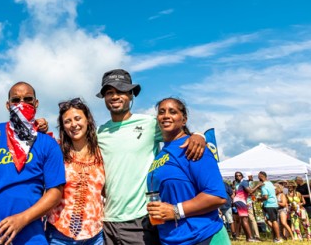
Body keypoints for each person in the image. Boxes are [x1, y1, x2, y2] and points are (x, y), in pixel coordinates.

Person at [95, 69, 206, 245]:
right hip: (106, 221)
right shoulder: (99, 133)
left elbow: (178, 132)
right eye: (109, 92)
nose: (115, 96)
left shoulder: (149, 124)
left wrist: (199, 135)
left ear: (131, 95)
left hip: (141, 218)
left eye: (121, 91)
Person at [0, 81, 66, 245]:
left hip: (31, 236)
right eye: (16, 100)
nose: (21, 104)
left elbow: (55, 192)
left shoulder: (48, 143)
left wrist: (22, 219)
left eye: (28, 99)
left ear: (36, 103)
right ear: (8, 105)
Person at [145, 97, 229, 245]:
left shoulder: (194, 148)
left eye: (172, 112)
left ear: (184, 120)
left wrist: (176, 211)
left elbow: (216, 195)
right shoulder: (161, 153)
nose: (166, 116)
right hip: (171, 239)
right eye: (161, 112)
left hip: (203, 236)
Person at [47, 98, 105, 245]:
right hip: (60, 235)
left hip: (95, 236)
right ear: (63, 126)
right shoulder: (56, 150)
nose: (73, 124)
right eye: (67, 121)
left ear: (87, 120)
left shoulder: (102, 152)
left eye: (78, 118)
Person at [251, 171, 281, 242]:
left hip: (270, 204)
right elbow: (274, 191)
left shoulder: (264, 185)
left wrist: (259, 199)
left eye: (258, 177)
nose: (258, 179)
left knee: (273, 221)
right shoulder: (270, 183)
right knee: (268, 220)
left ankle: (278, 238)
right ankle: (275, 237)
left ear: (261, 177)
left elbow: (265, 197)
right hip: (272, 204)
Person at [232, 172, 257, 242]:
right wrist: (258, 185)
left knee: (245, 219)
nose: (252, 177)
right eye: (251, 176)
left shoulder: (245, 182)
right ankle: (250, 237)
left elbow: (250, 194)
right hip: (241, 201)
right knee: (245, 219)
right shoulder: (244, 182)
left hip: (243, 201)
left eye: (239, 175)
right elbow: (250, 192)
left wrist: (254, 199)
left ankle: (249, 237)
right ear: (248, 176)